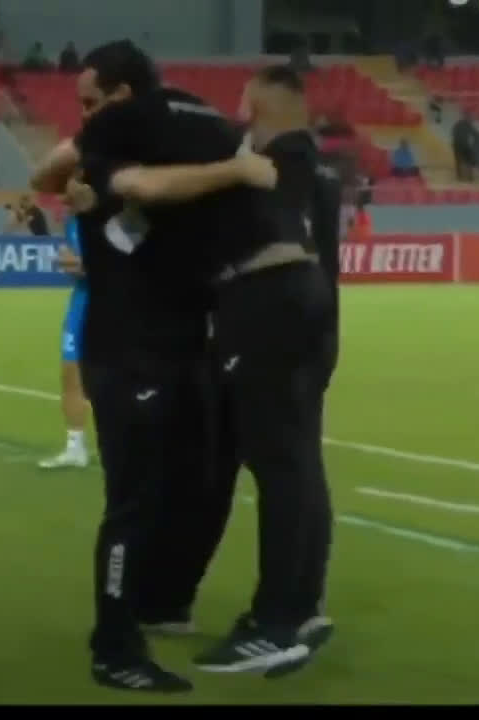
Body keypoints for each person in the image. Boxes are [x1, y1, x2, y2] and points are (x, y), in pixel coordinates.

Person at [78, 53, 336, 675]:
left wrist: (103, 172)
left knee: (276, 461)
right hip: (308, 301)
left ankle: (276, 622)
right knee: (296, 458)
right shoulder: (297, 167)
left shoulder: (206, 145)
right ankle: (299, 607)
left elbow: (129, 182)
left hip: (261, 296)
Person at [31, 39, 275, 691]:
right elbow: (85, 177)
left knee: (191, 485)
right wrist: (236, 169)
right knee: (133, 503)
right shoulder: (107, 153)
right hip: (125, 351)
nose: (83, 117)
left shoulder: (165, 136)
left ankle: (152, 605)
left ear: (123, 96)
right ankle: (114, 646)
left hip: (182, 345)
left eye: (92, 103)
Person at [37, 212, 89, 469]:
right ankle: (75, 448)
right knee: (70, 373)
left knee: (122, 377)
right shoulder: (71, 223)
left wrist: (77, 263)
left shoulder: (107, 218)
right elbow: (76, 268)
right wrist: (73, 265)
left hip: (113, 304)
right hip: (81, 302)